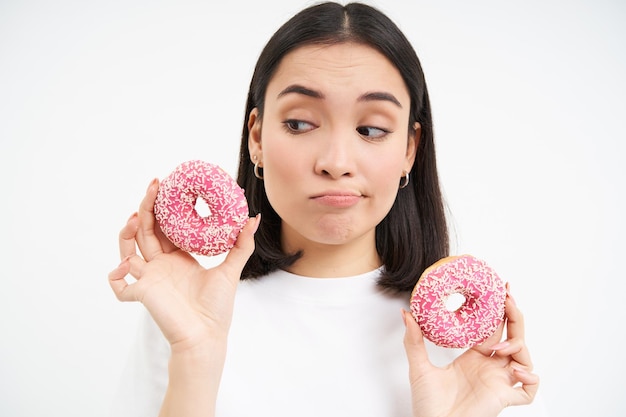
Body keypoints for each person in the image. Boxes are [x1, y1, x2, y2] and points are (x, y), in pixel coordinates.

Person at [109, 2, 546, 416]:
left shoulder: (463, 350)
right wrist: (195, 355)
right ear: (257, 138)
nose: (335, 162)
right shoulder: (189, 311)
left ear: (410, 150)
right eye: (300, 123)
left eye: (371, 129)